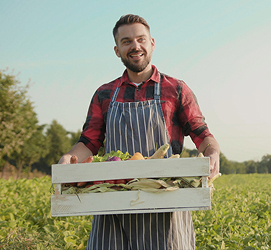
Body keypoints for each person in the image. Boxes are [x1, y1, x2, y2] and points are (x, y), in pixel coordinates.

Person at [58, 14, 220, 250]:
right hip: (113, 202)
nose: (135, 46)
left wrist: (213, 152)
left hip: (166, 204)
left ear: (152, 43)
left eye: (140, 39)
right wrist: (69, 158)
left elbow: (201, 134)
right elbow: (89, 141)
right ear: (117, 50)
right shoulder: (104, 94)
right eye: (126, 41)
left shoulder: (176, 89)